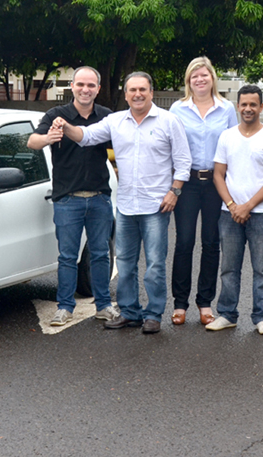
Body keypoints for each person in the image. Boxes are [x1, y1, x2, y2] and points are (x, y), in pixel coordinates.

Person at [55, 72, 191, 334]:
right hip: (127, 205)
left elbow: (183, 161)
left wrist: (174, 191)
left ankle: (153, 314)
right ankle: (130, 312)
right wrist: (63, 125)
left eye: (142, 89)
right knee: (126, 263)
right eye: (132, 90)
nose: (137, 94)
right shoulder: (115, 121)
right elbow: (85, 136)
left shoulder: (169, 121)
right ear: (126, 94)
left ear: (151, 92)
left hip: (156, 206)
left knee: (154, 265)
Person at [27, 66, 118, 326]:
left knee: (101, 253)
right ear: (73, 87)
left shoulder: (106, 117)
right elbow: (32, 142)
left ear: (98, 89)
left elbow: (122, 145)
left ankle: (103, 305)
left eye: (91, 85)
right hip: (67, 199)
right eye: (80, 84)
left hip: (100, 196)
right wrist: (48, 137)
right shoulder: (56, 114)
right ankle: (65, 307)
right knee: (67, 256)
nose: (85, 89)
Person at [206, 85, 263, 335]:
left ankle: (262, 316)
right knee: (229, 267)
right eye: (244, 104)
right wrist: (232, 205)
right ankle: (227, 314)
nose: (248, 109)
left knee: (262, 269)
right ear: (237, 106)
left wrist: (247, 206)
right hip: (229, 214)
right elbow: (218, 175)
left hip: (262, 214)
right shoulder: (227, 136)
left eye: (253, 104)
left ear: (261, 107)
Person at [168, 57, 237, 326]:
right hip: (188, 182)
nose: (199, 80)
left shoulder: (226, 108)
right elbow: (171, 146)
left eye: (204, 75)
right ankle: (180, 303)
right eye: (194, 76)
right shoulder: (177, 108)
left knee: (211, 243)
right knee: (184, 242)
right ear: (188, 81)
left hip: (216, 183)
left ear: (212, 79)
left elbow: (234, 144)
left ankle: (205, 302)